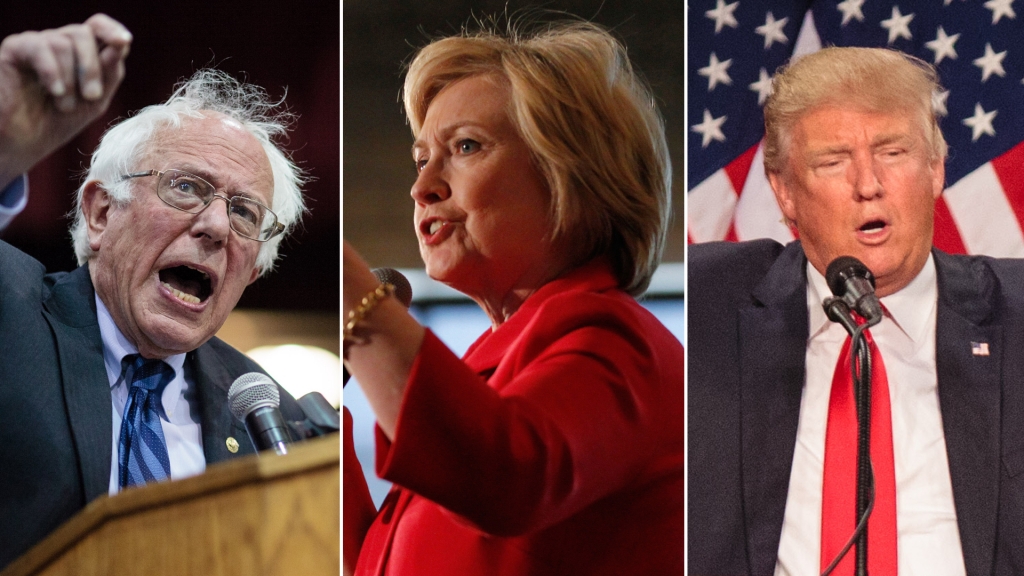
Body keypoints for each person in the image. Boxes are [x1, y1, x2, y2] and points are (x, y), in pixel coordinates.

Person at [343, 20, 684, 576]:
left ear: (570, 173)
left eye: (466, 146)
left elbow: (502, 475)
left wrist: (350, 293)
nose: (422, 185)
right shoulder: (487, 379)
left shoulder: (623, 345)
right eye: (420, 157)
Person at [688, 47, 1024, 576]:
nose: (868, 184)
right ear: (785, 192)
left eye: (893, 153)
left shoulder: (1017, 314)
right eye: (833, 161)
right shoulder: (706, 303)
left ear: (936, 169)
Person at [0, 16, 308, 569]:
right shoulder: (11, 313)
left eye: (243, 212)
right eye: (186, 187)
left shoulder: (272, 422)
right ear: (99, 213)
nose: (216, 225)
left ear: (251, 275)